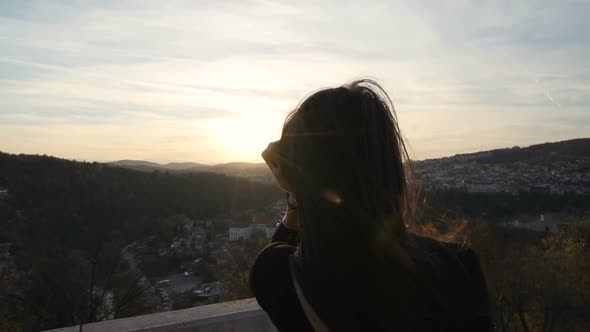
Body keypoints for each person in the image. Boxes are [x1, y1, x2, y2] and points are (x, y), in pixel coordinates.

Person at [250, 79, 494, 332]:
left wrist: (295, 190)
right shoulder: (460, 267)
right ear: (390, 164)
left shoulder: (280, 277)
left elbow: (282, 250)